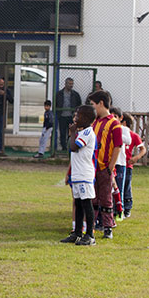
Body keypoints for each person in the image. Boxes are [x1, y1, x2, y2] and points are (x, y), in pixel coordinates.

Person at [60, 104, 97, 246]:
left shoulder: (87, 133)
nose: (75, 118)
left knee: (87, 203)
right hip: (77, 174)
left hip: (84, 175)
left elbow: (74, 147)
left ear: (86, 119)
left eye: (78, 115)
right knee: (79, 204)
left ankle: (90, 235)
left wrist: (72, 132)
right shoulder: (80, 132)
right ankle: (77, 233)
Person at [88, 90, 123, 240]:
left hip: (104, 168)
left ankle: (108, 227)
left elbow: (118, 146)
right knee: (93, 197)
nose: (92, 108)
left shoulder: (114, 123)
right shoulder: (95, 122)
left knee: (106, 197)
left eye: (93, 104)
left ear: (101, 103)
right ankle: (93, 224)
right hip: (93, 167)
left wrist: (110, 167)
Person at [122, 112, 146, 219]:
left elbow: (143, 149)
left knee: (126, 186)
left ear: (124, 122)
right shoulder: (116, 133)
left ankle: (127, 208)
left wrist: (136, 157)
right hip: (118, 165)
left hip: (127, 166)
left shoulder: (133, 136)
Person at [55, 77, 82, 151]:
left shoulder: (75, 94)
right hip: (62, 116)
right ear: (65, 84)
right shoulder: (59, 94)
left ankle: (70, 146)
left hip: (71, 116)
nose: (71, 85)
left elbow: (79, 104)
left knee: (71, 132)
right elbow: (56, 103)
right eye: (69, 84)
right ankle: (63, 147)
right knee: (62, 132)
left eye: (72, 84)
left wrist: (76, 114)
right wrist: (58, 113)